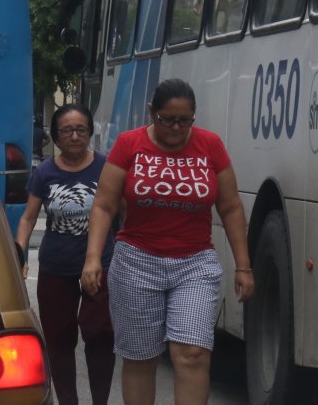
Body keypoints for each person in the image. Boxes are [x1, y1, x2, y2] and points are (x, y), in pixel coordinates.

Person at [80, 78, 253, 405]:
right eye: (167, 120)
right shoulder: (129, 144)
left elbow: (230, 207)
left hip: (195, 264)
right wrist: (92, 258)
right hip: (136, 263)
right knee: (141, 357)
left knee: (192, 354)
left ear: (193, 117)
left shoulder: (210, 146)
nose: (176, 128)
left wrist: (243, 266)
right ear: (152, 113)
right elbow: (104, 204)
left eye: (184, 120)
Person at [15, 104, 116, 405]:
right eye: (67, 131)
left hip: (101, 265)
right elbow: (28, 218)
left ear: (89, 133)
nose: (74, 136)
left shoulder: (106, 168)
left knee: (99, 333)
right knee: (59, 341)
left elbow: (121, 213)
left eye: (81, 130)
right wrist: (20, 255)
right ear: (56, 138)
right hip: (55, 267)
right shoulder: (45, 172)